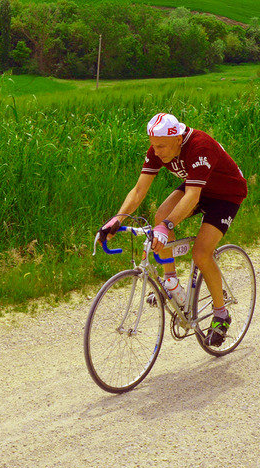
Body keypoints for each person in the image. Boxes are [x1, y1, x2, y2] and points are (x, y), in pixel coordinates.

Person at [99, 112, 248, 346]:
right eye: (153, 146)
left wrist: (167, 226)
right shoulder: (159, 147)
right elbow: (139, 191)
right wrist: (116, 220)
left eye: (161, 147)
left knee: (201, 253)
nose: (156, 152)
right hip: (199, 188)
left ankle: (221, 315)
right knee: (160, 215)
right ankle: (171, 284)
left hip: (226, 195)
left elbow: (193, 195)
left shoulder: (200, 146)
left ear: (178, 139)